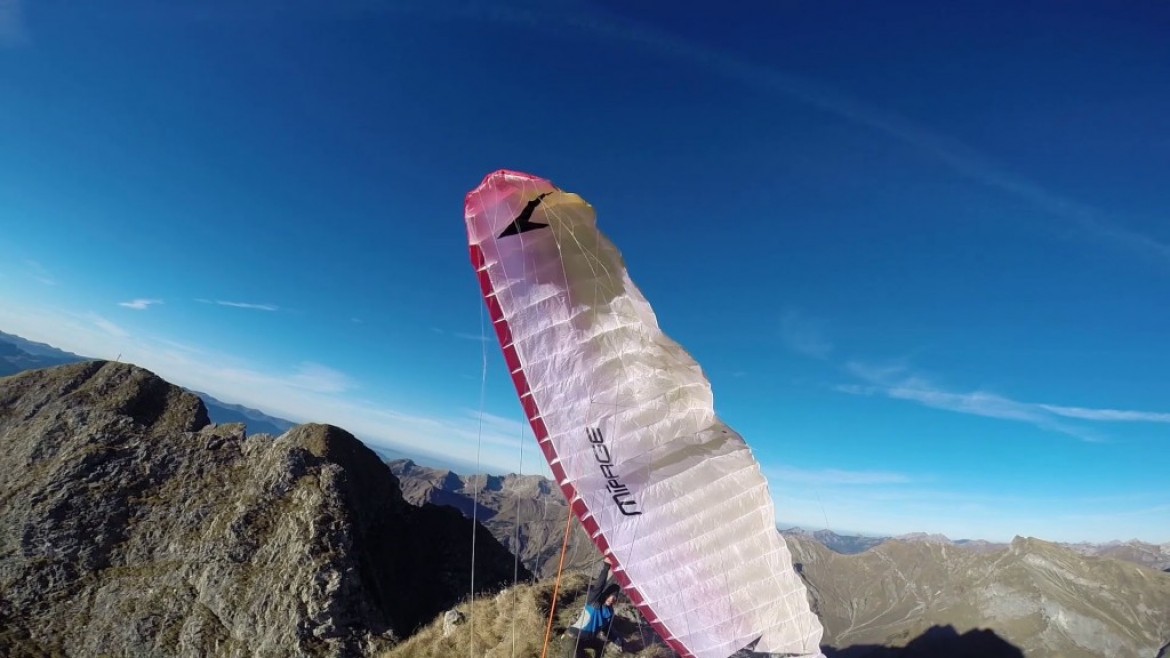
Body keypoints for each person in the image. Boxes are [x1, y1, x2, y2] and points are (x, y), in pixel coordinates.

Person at [564, 559, 625, 657]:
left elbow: (607, 630)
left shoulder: (609, 613)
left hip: (588, 639)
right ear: (606, 595)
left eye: (615, 598)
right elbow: (598, 586)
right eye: (610, 596)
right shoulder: (594, 601)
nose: (612, 599)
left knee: (600, 646)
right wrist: (606, 567)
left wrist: (618, 640)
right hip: (573, 637)